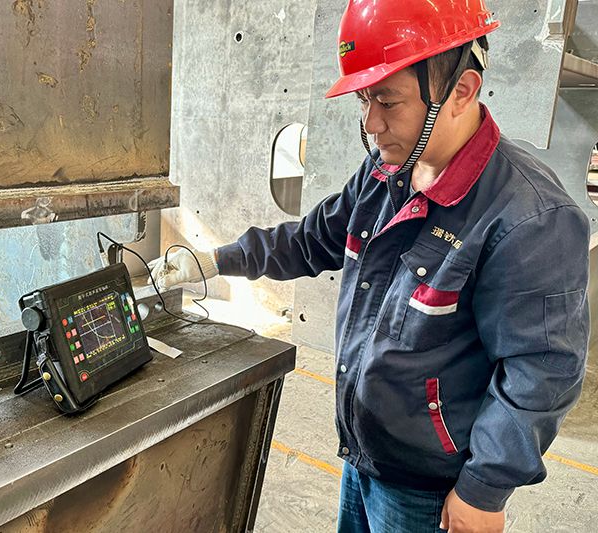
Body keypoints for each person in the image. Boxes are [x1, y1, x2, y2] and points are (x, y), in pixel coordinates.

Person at [149, 1, 590, 532]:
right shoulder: (387, 172)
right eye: (364, 99)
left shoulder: (528, 218)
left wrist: (484, 489)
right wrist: (213, 261)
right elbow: (312, 240)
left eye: (388, 101)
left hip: (431, 490)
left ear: (462, 90)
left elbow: (541, 371)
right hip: (364, 454)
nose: (371, 123)